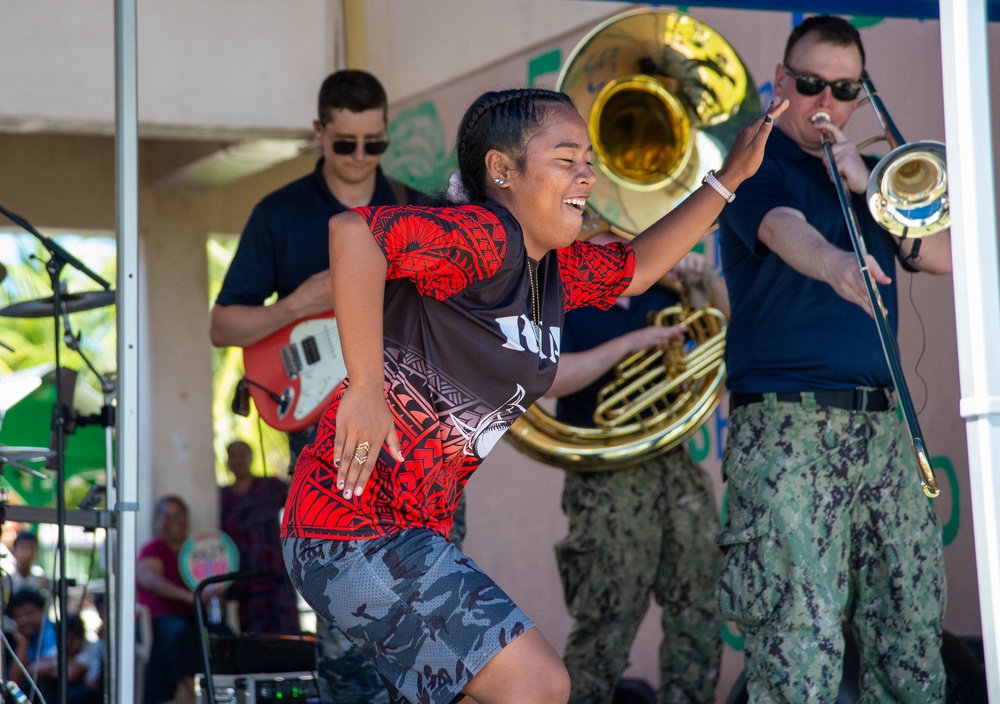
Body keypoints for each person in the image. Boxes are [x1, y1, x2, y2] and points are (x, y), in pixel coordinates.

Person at [280, 86, 785, 704]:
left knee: (492, 691)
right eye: (566, 158)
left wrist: (728, 177)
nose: (587, 175)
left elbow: (639, 265)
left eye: (589, 160)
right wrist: (363, 388)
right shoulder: (487, 236)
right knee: (539, 682)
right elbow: (354, 232)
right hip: (349, 527)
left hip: (407, 531)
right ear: (502, 170)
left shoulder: (550, 270)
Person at [716, 15, 952, 703]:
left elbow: (945, 255)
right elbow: (784, 230)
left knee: (911, 631)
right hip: (790, 430)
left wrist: (862, 185)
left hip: (883, 427)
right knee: (799, 642)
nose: (827, 103)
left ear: (861, 92)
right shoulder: (754, 158)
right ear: (782, 81)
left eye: (845, 88)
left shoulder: (876, 181)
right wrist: (837, 265)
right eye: (811, 83)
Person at [209, 69, 435, 704]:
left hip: (417, 436)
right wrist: (297, 304)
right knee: (346, 609)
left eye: (374, 143)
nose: (361, 157)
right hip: (324, 431)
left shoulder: (415, 209)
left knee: (425, 598)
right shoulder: (279, 214)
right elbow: (222, 324)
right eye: (345, 144)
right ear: (319, 133)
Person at [546, 242, 727, 703]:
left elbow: (729, 334)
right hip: (604, 471)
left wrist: (703, 285)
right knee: (608, 616)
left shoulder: (665, 287)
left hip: (673, 464)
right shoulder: (558, 291)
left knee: (700, 606)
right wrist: (630, 344)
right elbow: (547, 379)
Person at [136, 495, 221, 704]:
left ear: (187, 518)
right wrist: (188, 597)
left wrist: (217, 592)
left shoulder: (198, 550)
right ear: (158, 522)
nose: (173, 520)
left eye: (178, 514)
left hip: (196, 616)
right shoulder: (153, 549)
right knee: (181, 634)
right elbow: (150, 580)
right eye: (166, 515)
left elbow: (215, 579)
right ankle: (198, 695)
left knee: (223, 634)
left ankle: (222, 691)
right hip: (162, 617)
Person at [219, 439, 300, 634]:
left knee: (285, 625)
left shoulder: (269, 485)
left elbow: (297, 498)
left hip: (274, 569)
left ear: (251, 458)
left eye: (242, 455)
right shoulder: (222, 496)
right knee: (253, 629)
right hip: (244, 574)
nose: (237, 460)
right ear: (227, 462)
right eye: (232, 456)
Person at [6, 586, 56, 694]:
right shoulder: (14, 639)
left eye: (29, 613)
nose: (24, 620)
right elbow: (14, 683)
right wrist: (23, 644)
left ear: (42, 611)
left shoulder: (56, 632)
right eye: (18, 616)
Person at [10, 531, 49, 596]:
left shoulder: (39, 578)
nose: (27, 553)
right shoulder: (7, 577)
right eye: (23, 548)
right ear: (15, 551)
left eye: (31, 548)